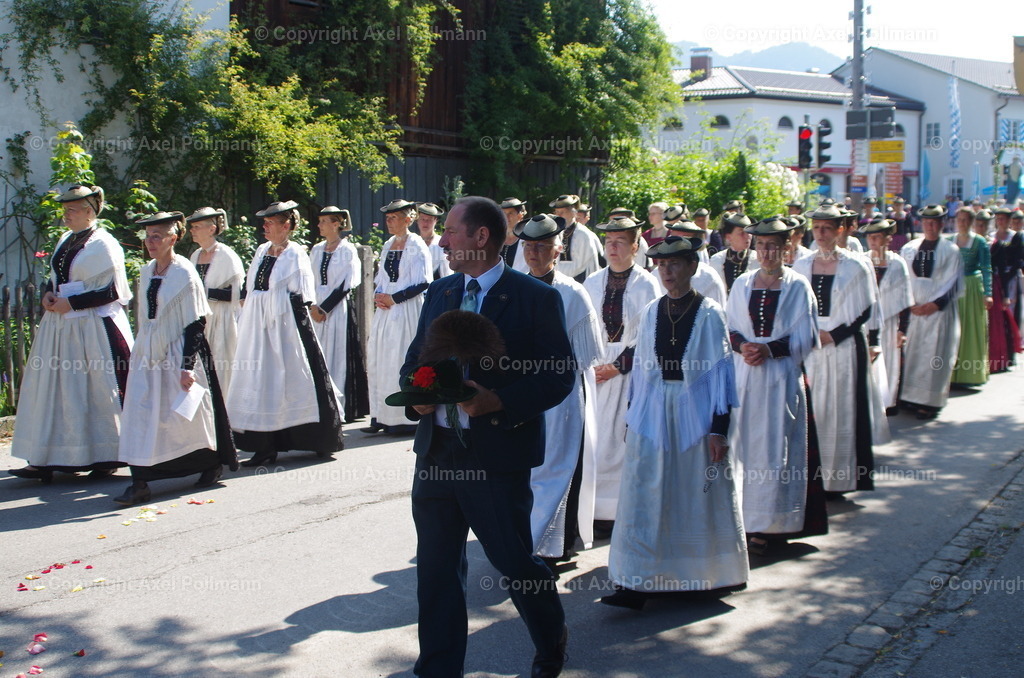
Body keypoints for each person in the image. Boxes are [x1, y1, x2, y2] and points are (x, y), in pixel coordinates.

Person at [401, 196, 573, 678]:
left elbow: (559, 376)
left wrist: (497, 401)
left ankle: (550, 637)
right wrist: (415, 393)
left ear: (481, 238)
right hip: (436, 453)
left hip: (495, 457)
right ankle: (437, 668)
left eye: (452, 230)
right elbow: (415, 359)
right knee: (435, 573)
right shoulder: (441, 292)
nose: (444, 239)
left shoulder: (535, 298)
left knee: (514, 563)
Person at [602, 235, 746, 610]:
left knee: (691, 494)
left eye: (675, 264)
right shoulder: (652, 311)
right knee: (644, 495)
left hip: (694, 414)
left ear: (692, 267)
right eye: (662, 265)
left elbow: (720, 375)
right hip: (653, 413)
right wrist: (634, 417)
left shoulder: (710, 312)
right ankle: (636, 580)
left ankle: (702, 576)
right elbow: (642, 371)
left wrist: (718, 429)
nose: (667, 271)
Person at [9, 185, 133, 483]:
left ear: (91, 211)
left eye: (73, 209)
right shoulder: (66, 240)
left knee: (92, 390)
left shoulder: (105, 244)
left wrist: (73, 303)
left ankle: (105, 456)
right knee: (55, 390)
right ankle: (46, 458)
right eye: (65, 209)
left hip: (92, 328)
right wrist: (50, 296)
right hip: (61, 326)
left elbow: (113, 290)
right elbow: (57, 278)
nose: (66, 214)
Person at [115, 212, 238, 505]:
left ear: (173, 238)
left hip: (180, 351)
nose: (150, 242)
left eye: (157, 236)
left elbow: (195, 322)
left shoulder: (184, 272)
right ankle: (141, 478)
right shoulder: (146, 272)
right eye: (147, 236)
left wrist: (186, 367)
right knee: (143, 412)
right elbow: (148, 317)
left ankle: (208, 463)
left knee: (184, 418)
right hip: (150, 352)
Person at [727, 217, 826, 555]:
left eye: (774, 245)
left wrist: (769, 348)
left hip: (780, 379)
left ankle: (773, 524)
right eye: (762, 245)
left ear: (786, 247)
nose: (767, 252)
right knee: (744, 448)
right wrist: (744, 346)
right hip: (745, 379)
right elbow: (730, 325)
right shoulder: (741, 284)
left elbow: (805, 335)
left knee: (776, 449)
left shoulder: (798, 286)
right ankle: (744, 516)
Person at [227, 200, 344, 463]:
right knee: (260, 380)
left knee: (296, 376)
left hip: (286, 327)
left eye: (270, 223)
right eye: (264, 223)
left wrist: (270, 301)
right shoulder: (261, 251)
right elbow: (252, 286)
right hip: (258, 328)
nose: (265, 227)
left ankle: (316, 438)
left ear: (287, 225)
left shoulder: (295, 254)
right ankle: (264, 444)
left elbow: (301, 295)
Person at [517, 214, 604, 567]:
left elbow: (585, 357)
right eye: (528, 246)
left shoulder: (573, 293)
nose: (534, 253)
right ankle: (523, 540)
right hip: (522, 392)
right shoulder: (514, 288)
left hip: (562, 395)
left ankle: (555, 546)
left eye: (542, 246)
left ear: (558, 249)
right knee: (526, 470)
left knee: (560, 465)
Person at [582, 219, 661, 539]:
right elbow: (581, 324)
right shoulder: (592, 281)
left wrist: (618, 366)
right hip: (596, 372)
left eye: (620, 241)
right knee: (594, 442)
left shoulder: (647, 284)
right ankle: (592, 510)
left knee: (620, 444)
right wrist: (593, 364)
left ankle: (618, 512)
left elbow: (650, 333)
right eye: (609, 241)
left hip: (630, 375)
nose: (612, 247)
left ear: (635, 246)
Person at [794, 204, 878, 496]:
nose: (821, 234)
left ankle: (839, 478)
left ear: (840, 230)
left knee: (842, 408)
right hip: (811, 347)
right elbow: (793, 305)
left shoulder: (856, 266)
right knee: (812, 408)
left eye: (827, 228)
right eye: (816, 228)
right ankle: (810, 476)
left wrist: (835, 334)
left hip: (843, 347)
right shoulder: (802, 265)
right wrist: (809, 332)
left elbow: (865, 309)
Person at [364, 199, 433, 434]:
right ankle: (382, 416)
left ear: (408, 219)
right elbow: (382, 277)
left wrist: (395, 298)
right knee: (382, 358)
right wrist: (379, 295)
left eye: (394, 217)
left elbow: (423, 282)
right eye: (388, 218)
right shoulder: (388, 245)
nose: (389, 222)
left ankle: (405, 418)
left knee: (402, 356)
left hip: (407, 310)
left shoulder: (417, 245)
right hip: (387, 311)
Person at [900, 205, 964, 419]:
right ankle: (910, 397)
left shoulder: (951, 250)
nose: (931, 225)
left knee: (934, 356)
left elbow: (954, 282)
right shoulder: (910, 248)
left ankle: (930, 402)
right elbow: (903, 278)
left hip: (938, 312)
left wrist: (934, 305)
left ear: (942, 223)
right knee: (915, 354)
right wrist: (910, 303)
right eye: (927, 221)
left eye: (936, 221)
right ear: (921, 223)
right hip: (916, 310)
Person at [309, 206, 363, 421]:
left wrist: (324, 308)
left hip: (336, 309)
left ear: (337, 224)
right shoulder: (316, 250)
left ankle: (339, 406)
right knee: (319, 353)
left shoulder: (346, 250)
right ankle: (320, 404)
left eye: (324, 221)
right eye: (319, 221)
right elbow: (309, 279)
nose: (319, 225)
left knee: (337, 355)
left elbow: (346, 284)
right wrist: (312, 305)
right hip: (315, 309)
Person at [186, 207, 245, 394]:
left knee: (220, 362)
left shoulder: (226, 256)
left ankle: (224, 409)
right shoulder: (195, 255)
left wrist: (205, 292)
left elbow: (237, 294)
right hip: (200, 317)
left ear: (211, 229)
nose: (192, 230)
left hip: (221, 319)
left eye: (196, 226)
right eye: (192, 227)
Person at [863, 217, 913, 413]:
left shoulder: (897, 264)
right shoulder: (862, 260)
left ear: (887, 239)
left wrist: (903, 329)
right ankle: (868, 402)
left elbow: (905, 297)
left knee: (890, 362)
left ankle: (887, 402)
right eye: (870, 237)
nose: (873, 242)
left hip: (890, 322)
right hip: (867, 322)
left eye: (877, 237)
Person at [948, 204, 993, 387]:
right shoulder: (950, 240)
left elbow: (986, 268)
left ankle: (971, 374)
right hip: (953, 287)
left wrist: (987, 293)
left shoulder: (979, 241)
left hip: (972, 287)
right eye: (959, 220)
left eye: (966, 220)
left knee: (971, 328)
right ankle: (951, 374)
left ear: (972, 222)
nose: (962, 223)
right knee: (953, 328)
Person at [988, 207, 1023, 372]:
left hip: (1011, 280)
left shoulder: (1016, 237)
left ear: (1009, 221)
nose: (1001, 221)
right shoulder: (992, 238)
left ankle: (1010, 353)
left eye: (1004, 219)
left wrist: (1008, 274)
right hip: (997, 279)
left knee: (1011, 314)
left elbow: (1019, 261)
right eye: (999, 218)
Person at [666, 218, 727, 305]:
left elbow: (718, 312)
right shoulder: (659, 273)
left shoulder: (708, 277)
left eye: (685, 238)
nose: (678, 244)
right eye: (674, 239)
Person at [551, 194, 603, 282]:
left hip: (580, 282)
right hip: (557, 281)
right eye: (557, 212)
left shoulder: (583, 235)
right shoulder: (555, 233)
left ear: (573, 213)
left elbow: (581, 265)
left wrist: (559, 273)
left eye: (562, 212)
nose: (558, 216)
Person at [709, 212, 760, 293]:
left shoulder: (758, 259)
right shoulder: (716, 260)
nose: (747, 236)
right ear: (728, 237)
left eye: (749, 232)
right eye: (741, 233)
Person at [416, 202, 451, 280]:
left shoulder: (442, 244)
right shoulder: (412, 243)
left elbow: (447, 274)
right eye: (422, 219)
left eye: (429, 220)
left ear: (435, 220)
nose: (425, 223)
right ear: (417, 220)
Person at [499, 197, 529, 271]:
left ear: (520, 215)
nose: (506, 217)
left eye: (510, 213)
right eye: (504, 213)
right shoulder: (495, 238)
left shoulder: (528, 238)